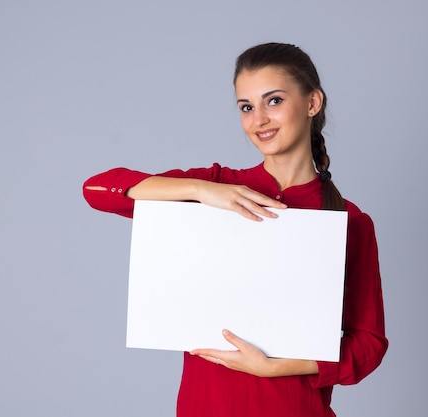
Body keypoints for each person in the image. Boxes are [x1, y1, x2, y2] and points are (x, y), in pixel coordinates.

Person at [83, 42, 388, 417]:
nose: (258, 119)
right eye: (246, 107)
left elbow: (369, 345)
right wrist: (201, 191)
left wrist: (277, 366)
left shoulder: (349, 221)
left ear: (312, 103)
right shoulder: (216, 188)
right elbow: (97, 190)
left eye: (273, 101)